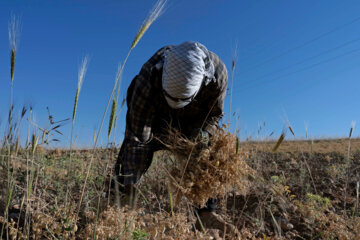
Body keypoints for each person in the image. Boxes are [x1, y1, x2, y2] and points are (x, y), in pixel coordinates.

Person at [114, 41, 236, 234]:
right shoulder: (147, 78)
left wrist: (203, 132)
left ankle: (206, 214)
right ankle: (118, 207)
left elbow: (214, 114)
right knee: (130, 154)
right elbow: (137, 137)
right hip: (155, 119)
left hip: (193, 122)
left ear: (202, 82)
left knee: (207, 153)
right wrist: (131, 186)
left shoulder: (218, 75)